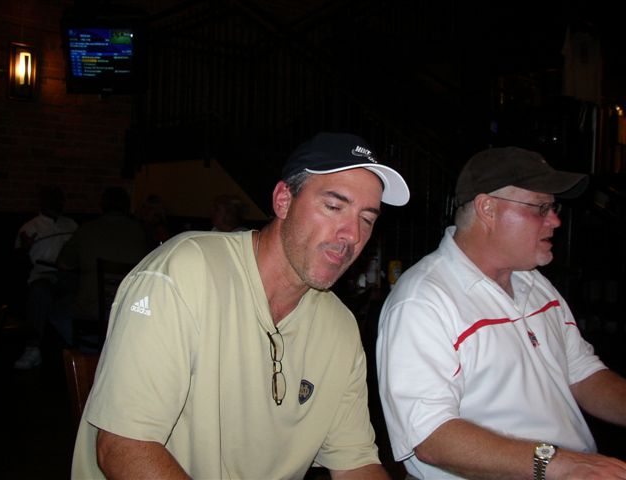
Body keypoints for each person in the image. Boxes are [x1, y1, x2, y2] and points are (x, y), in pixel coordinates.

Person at [71, 132, 410, 479]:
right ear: (283, 200)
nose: (352, 234)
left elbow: (356, 463)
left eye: (367, 219)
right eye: (334, 206)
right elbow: (122, 447)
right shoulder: (185, 274)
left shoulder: (339, 327)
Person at [376, 146, 626, 480]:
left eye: (553, 207)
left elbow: (583, 374)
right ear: (488, 209)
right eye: (541, 207)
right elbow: (431, 437)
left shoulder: (534, 283)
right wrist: (562, 464)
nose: (555, 220)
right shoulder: (423, 301)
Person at [51, 186, 150, 347]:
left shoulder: (86, 230)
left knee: (56, 309)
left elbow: (63, 264)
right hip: (130, 307)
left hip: (93, 310)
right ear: (127, 206)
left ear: (102, 205)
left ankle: (87, 351)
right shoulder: (140, 231)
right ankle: (107, 347)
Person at [13, 185, 77, 369]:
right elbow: (17, 262)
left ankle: (84, 348)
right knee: (40, 290)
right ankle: (32, 348)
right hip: (43, 275)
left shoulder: (71, 225)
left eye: (59, 200)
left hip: (69, 275)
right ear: (42, 202)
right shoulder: (30, 227)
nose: (57, 203)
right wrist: (25, 248)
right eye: (52, 200)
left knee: (85, 288)